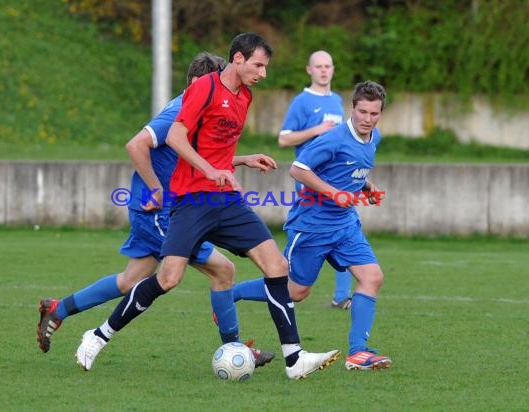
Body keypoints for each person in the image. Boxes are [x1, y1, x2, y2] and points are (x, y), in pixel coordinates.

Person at [74, 32, 340, 380]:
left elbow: (219, 149)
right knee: (168, 278)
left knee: (276, 266)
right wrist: (209, 170)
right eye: (258, 65)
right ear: (239, 59)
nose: (263, 73)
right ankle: (97, 336)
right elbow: (175, 137)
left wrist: (238, 164)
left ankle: (294, 359)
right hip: (190, 200)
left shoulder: (244, 97)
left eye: (265, 67)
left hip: (225, 199)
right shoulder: (204, 87)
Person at [36, 51, 274, 368]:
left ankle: (58, 309)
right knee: (222, 270)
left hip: (160, 208)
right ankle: (235, 349)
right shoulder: (179, 109)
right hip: (161, 210)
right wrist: (156, 188)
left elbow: (192, 157)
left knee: (130, 280)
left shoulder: (199, 109)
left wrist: (242, 159)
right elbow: (136, 145)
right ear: (202, 82)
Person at [226, 80, 393, 370]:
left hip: (345, 225)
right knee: (295, 292)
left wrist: (365, 185)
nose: (367, 119)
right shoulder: (334, 138)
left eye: (374, 114)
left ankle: (358, 352)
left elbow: (349, 168)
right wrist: (334, 194)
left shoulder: (374, 137)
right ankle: (232, 294)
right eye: (362, 112)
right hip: (312, 226)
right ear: (351, 108)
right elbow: (298, 169)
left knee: (372, 277)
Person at [278, 50, 354, 309]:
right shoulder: (302, 102)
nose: (323, 70)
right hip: (309, 181)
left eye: (328, 66)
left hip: (335, 181)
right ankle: (279, 276)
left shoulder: (337, 100)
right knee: (304, 234)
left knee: (345, 228)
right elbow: (284, 138)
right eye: (318, 66)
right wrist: (316, 130)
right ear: (309, 70)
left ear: (333, 69)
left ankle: (342, 296)